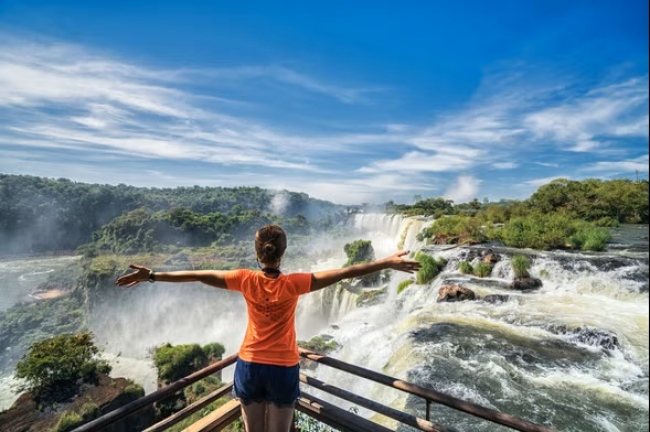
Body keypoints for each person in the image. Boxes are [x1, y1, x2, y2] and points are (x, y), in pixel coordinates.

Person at [116, 224, 421, 432]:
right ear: (282, 253)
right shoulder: (295, 283)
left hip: (248, 364)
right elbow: (344, 273)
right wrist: (385, 264)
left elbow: (197, 275)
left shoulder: (244, 279)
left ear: (257, 253)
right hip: (283, 367)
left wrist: (152, 276)